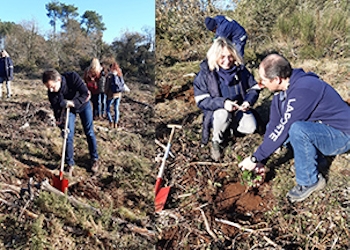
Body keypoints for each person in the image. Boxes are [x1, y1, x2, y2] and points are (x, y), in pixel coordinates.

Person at [239, 53, 350, 202]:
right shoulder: (281, 94)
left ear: (276, 79)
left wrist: (254, 158)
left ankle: (310, 181)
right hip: (322, 129)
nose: (262, 84)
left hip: (342, 134)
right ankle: (316, 160)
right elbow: (274, 126)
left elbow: (285, 128)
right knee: (287, 133)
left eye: (263, 80)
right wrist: (261, 161)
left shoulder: (304, 90)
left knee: (297, 130)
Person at [193, 37, 260, 161]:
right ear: (215, 56)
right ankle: (216, 141)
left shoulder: (241, 70)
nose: (227, 61)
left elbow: (254, 88)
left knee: (251, 127)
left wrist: (247, 101)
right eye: (222, 56)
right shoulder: (205, 74)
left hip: (239, 108)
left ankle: (231, 129)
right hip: (217, 112)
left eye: (230, 56)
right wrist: (223, 103)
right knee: (222, 114)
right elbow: (201, 100)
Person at [42, 69, 99, 174]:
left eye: (52, 87)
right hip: (69, 111)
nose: (50, 90)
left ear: (58, 80)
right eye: (48, 88)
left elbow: (86, 93)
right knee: (68, 135)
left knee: (89, 132)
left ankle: (94, 159)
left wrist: (73, 102)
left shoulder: (72, 77)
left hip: (83, 105)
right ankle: (69, 163)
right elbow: (57, 110)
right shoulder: (52, 93)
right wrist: (61, 124)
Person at [105, 62, 128, 129]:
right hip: (118, 94)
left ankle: (110, 122)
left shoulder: (110, 75)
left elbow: (107, 85)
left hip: (111, 94)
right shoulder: (119, 74)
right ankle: (116, 123)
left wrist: (106, 93)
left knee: (108, 109)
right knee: (116, 108)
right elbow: (122, 83)